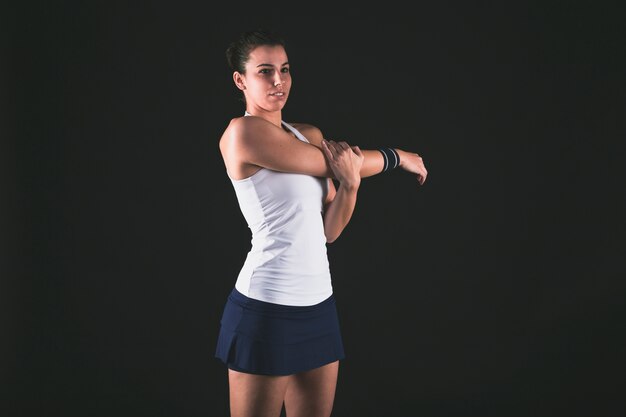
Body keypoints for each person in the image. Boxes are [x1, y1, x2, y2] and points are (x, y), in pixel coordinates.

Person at [215, 28, 428, 417]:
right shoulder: (241, 134)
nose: (278, 80)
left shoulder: (307, 134)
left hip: (318, 305)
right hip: (266, 308)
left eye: (285, 69)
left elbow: (329, 230)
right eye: (265, 71)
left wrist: (350, 186)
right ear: (240, 80)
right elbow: (329, 162)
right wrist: (397, 156)